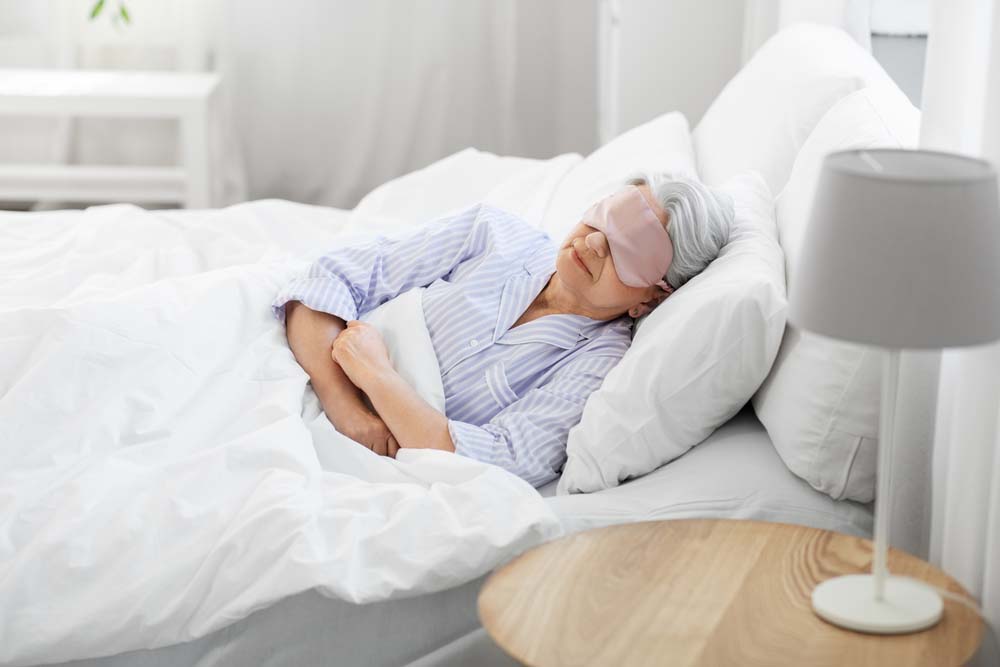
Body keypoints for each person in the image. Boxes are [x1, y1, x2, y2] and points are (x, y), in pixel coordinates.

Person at [273, 172, 733, 487]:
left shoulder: (599, 369)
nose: (593, 242)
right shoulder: (491, 233)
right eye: (603, 218)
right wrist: (346, 407)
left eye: (625, 250)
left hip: (360, 470)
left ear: (652, 298)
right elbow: (326, 280)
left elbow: (496, 461)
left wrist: (378, 376)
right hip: (291, 374)